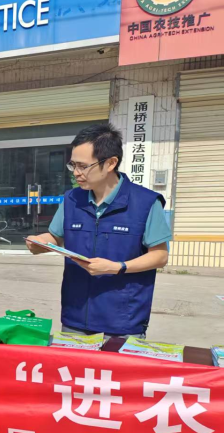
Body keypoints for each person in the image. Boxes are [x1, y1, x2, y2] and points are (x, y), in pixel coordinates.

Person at [26, 124, 171, 337]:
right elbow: (56, 237)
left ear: (111, 163)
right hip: (75, 317)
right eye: (73, 165)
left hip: (123, 321)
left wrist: (117, 267)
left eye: (83, 166)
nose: (76, 173)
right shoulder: (72, 199)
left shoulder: (146, 202)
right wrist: (40, 242)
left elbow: (160, 256)